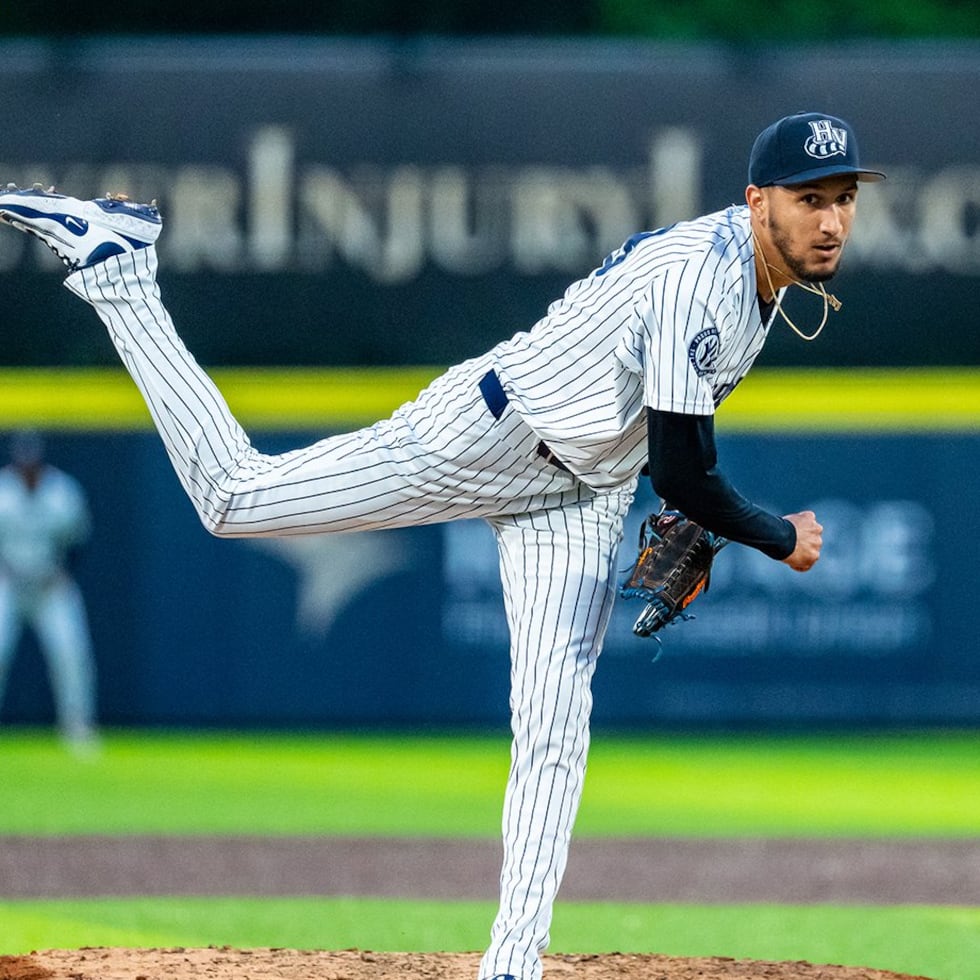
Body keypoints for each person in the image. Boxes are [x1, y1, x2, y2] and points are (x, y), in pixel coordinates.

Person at [0, 110, 883, 979]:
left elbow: (664, 445)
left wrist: (691, 499)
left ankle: (511, 964)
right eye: (809, 199)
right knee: (233, 499)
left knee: (555, 723)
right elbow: (687, 472)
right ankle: (122, 270)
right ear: (757, 199)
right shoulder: (703, 278)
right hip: (488, 436)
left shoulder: (762, 281)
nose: (832, 220)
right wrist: (776, 535)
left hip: (582, 494)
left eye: (843, 198)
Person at [0, 429, 99, 751]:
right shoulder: (3, 490)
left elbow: (79, 541)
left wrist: (62, 572)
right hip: (8, 583)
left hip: (49, 585)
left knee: (71, 654)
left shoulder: (61, 491)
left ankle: (77, 726)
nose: (27, 469)